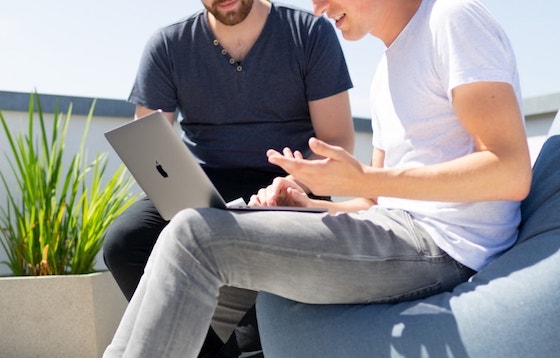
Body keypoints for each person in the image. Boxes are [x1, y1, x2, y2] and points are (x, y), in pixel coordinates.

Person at [103, 0, 532, 356]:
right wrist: (310, 206)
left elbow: (510, 171)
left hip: (444, 248)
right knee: (192, 236)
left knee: (195, 236)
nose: (320, 8)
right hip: (398, 231)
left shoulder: (451, 19)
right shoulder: (388, 68)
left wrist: (364, 178)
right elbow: (375, 204)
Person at [102, 0, 354, 356]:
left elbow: (337, 140)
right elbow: (148, 147)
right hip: (205, 187)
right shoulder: (168, 45)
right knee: (125, 242)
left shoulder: (309, 32)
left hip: (289, 185)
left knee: (255, 333)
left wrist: (297, 186)